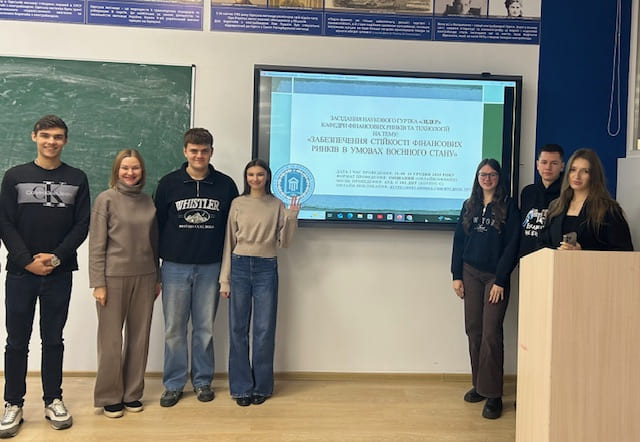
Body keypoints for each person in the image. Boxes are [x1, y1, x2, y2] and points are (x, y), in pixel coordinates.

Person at [0, 115, 90, 437]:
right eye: (46, 135)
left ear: (65, 141)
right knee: (16, 341)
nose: (52, 141)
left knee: (53, 339)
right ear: (34, 137)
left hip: (59, 273)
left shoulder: (77, 178)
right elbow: (5, 222)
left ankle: (53, 399)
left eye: (58, 136)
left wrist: (55, 257)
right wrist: (27, 261)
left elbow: (82, 224)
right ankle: (13, 403)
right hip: (20, 274)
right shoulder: (14, 176)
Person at [154, 128, 238, 407]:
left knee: (205, 328)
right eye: (194, 150)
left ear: (211, 152)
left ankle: (202, 381)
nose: (199, 155)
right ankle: (174, 384)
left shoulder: (226, 185)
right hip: (174, 267)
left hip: (210, 266)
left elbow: (232, 229)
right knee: (173, 329)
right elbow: (156, 226)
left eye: (204, 151)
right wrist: (157, 268)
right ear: (185, 151)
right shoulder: (168, 184)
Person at [219, 159, 300, 407]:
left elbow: (285, 243)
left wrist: (292, 218)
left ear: (267, 177)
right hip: (239, 265)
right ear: (246, 177)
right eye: (251, 174)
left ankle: (262, 387)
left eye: (260, 174)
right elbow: (229, 242)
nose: (255, 179)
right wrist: (224, 280)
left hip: (266, 266)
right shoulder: (237, 203)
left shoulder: (276, 205)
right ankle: (241, 388)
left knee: (264, 330)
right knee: (238, 329)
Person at [89, 149, 161, 418]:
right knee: (110, 340)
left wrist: (158, 277)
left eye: (135, 168)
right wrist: (98, 283)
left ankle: (132, 393)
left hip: (145, 276)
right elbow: (96, 244)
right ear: (117, 171)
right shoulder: (105, 199)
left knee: (139, 338)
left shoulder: (148, 201)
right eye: (125, 168)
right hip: (112, 278)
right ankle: (110, 396)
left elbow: (154, 244)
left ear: (142, 171)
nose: (130, 173)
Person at [450, 158, 519, 420]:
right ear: (477, 178)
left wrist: (501, 279)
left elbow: (512, 245)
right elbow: (459, 242)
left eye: (492, 174)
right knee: (474, 329)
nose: (487, 179)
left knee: (491, 333)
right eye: (483, 174)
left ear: (499, 178)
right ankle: (479, 385)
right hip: (470, 273)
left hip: (495, 277)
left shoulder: (509, 207)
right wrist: (456, 275)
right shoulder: (469, 205)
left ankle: (493, 394)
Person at [539, 148, 633, 251]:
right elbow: (542, 244)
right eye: (573, 170)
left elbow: (624, 250)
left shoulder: (608, 209)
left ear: (593, 176)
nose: (577, 176)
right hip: (556, 261)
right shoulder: (555, 206)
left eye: (585, 171)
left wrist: (583, 252)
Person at [519, 144, 565, 257]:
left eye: (554, 163)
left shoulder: (567, 195)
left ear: (562, 166)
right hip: (526, 258)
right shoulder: (527, 192)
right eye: (544, 162)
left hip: (553, 259)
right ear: (537, 165)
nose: (548, 167)